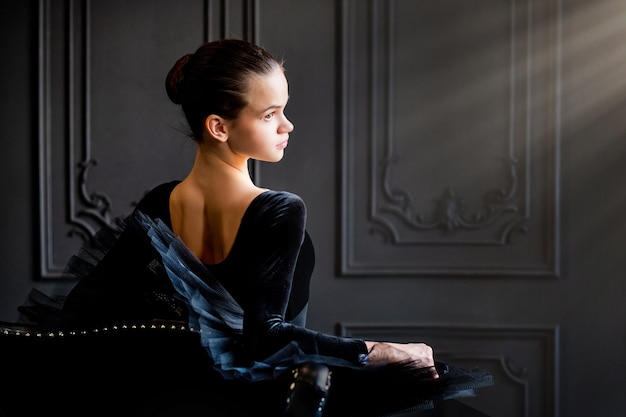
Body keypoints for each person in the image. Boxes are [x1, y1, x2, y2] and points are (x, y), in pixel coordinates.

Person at [14, 39, 493, 416]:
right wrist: (382, 350)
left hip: (164, 398)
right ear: (219, 127)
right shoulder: (279, 210)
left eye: (284, 109)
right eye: (270, 114)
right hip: (257, 402)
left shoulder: (161, 202)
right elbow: (267, 339)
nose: (288, 126)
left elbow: (80, 313)